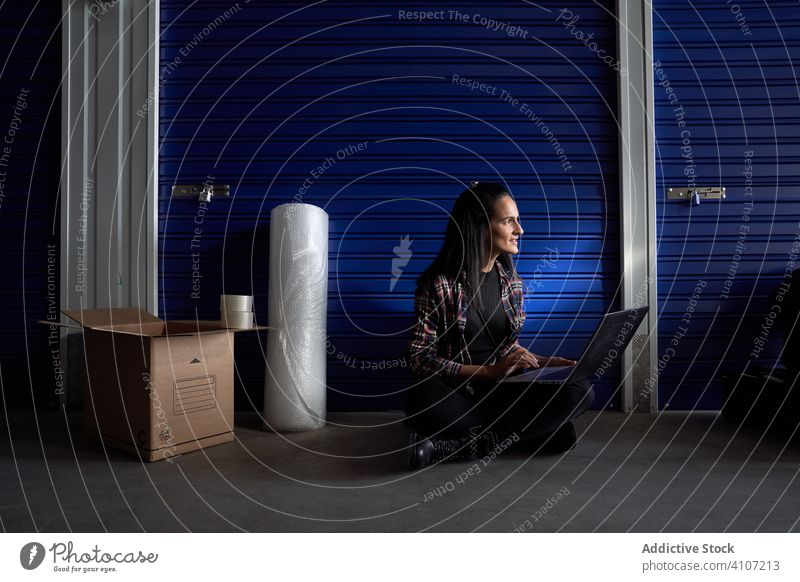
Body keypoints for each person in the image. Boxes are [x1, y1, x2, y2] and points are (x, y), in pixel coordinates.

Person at [404, 181, 594, 470]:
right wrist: (486, 372)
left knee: (579, 389)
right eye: (508, 221)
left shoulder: (512, 282)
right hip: (455, 390)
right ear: (481, 226)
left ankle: (455, 446)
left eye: (518, 221)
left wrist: (541, 363)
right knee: (422, 401)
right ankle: (531, 434)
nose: (520, 230)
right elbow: (420, 360)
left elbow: (504, 343)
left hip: (501, 389)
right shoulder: (439, 285)